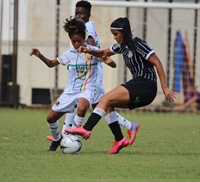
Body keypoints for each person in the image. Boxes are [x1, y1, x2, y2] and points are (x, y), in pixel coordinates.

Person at [66, 17, 176, 154]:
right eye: (113, 34)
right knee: (107, 104)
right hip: (139, 86)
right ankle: (120, 139)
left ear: (124, 32)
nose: (115, 38)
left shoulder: (137, 44)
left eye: (116, 34)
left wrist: (164, 87)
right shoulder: (122, 46)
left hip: (145, 85)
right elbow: (103, 52)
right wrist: (87, 50)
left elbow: (157, 62)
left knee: (105, 98)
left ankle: (86, 129)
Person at [59, 0, 140, 145]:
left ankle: (67, 135)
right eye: (77, 13)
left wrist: (82, 58)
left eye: (82, 13)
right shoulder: (82, 27)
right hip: (90, 72)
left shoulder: (87, 27)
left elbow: (90, 45)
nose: (79, 16)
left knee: (88, 102)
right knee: (100, 106)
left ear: (89, 14)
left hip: (91, 74)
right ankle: (127, 129)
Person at [29, 17, 115, 151]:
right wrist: (39, 55)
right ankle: (57, 139)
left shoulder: (93, 51)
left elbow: (111, 62)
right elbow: (51, 64)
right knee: (50, 118)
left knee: (82, 105)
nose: (76, 44)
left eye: (79, 41)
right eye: (73, 41)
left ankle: (72, 135)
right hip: (71, 90)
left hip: (88, 88)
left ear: (84, 38)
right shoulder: (69, 54)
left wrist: (110, 62)